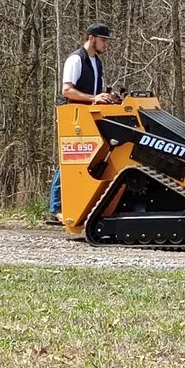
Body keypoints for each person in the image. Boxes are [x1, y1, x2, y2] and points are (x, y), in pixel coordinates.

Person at [47, 22, 120, 223]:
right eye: (103, 40)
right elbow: (67, 91)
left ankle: (81, 203)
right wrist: (93, 98)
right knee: (70, 157)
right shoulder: (75, 60)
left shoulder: (96, 62)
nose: (106, 44)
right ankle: (56, 207)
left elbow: (93, 93)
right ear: (91, 38)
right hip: (72, 113)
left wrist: (107, 97)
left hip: (88, 113)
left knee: (87, 158)